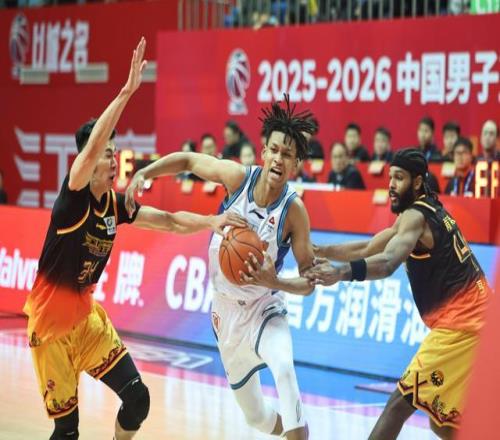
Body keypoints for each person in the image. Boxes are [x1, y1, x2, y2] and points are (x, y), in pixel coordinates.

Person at [23, 38, 245, 440]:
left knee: (137, 399)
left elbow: (170, 221)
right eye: (107, 154)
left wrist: (211, 221)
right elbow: (92, 147)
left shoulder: (114, 204)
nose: (114, 160)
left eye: (115, 152)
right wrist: (127, 91)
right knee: (67, 431)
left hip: (86, 321)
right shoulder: (72, 199)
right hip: (51, 327)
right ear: (88, 161)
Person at [126, 95, 317, 440]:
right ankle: (297, 430)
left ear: (295, 164)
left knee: (285, 371)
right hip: (225, 313)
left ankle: (297, 431)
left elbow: (309, 282)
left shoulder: (294, 211)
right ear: (263, 152)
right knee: (257, 418)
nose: (279, 158)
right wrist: (146, 171)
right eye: (274, 150)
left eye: (287, 155)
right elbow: (188, 160)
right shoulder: (237, 177)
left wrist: (274, 280)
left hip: (264, 309)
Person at [307, 148, 491, 440]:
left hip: (464, 327)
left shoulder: (416, 218)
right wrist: (318, 249)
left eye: (399, 178)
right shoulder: (423, 210)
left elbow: (387, 263)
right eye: (390, 177)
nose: (391, 185)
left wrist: (341, 273)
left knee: (398, 404)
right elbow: (369, 248)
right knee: (443, 423)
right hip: (479, 323)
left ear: (417, 182)